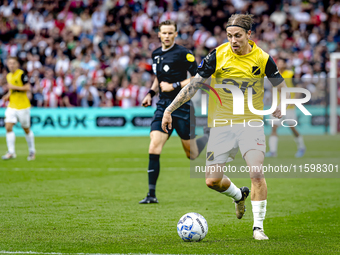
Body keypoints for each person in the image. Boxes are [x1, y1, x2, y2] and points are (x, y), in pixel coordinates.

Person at [161, 14, 289, 240]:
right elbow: (194, 86)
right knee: (212, 181)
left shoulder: (262, 58)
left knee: (256, 171)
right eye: (229, 36)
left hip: (251, 123)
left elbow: (281, 85)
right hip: (222, 125)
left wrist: (281, 103)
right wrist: (169, 109)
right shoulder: (217, 55)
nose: (233, 41)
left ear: (249, 35)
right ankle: (239, 196)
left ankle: (258, 227)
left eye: (238, 36)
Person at [139, 20, 210, 204]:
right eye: (164, 33)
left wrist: (175, 85)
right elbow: (158, 77)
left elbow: (197, 77)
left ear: (175, 34)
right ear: (159, 34)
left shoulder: (184, 54)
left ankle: (207, 136)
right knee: (154, 146)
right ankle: (151, 195)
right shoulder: (155, 54)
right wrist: (150, 93)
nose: (167, 36)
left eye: (171, 33)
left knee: (192, 155)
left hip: (182, 106)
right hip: (163, 106)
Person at [266, 58, 306, 158]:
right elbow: (273, 88)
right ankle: (272, 151)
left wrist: (295, 99)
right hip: (277, 106)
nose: (279, 64)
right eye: (278, 63)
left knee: (292, 127)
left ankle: (301, 147)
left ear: (285, 64)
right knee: (274, 128)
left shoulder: (290, 74)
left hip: (289, 106)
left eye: (281, 63)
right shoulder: (274, 74)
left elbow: (298, 87)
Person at [2, 57, 36, 160]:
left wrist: (13, 87)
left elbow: (27, 88)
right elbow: (12, 90)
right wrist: (7, 95)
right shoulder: (8, 76)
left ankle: (32, 151)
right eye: (9, 63)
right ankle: (11, 152)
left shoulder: (21, 74)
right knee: (8, 127)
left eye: (13, 63)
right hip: (12, 105)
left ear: (17, 64)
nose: (11, 65)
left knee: (26, 129)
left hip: (23, 106)